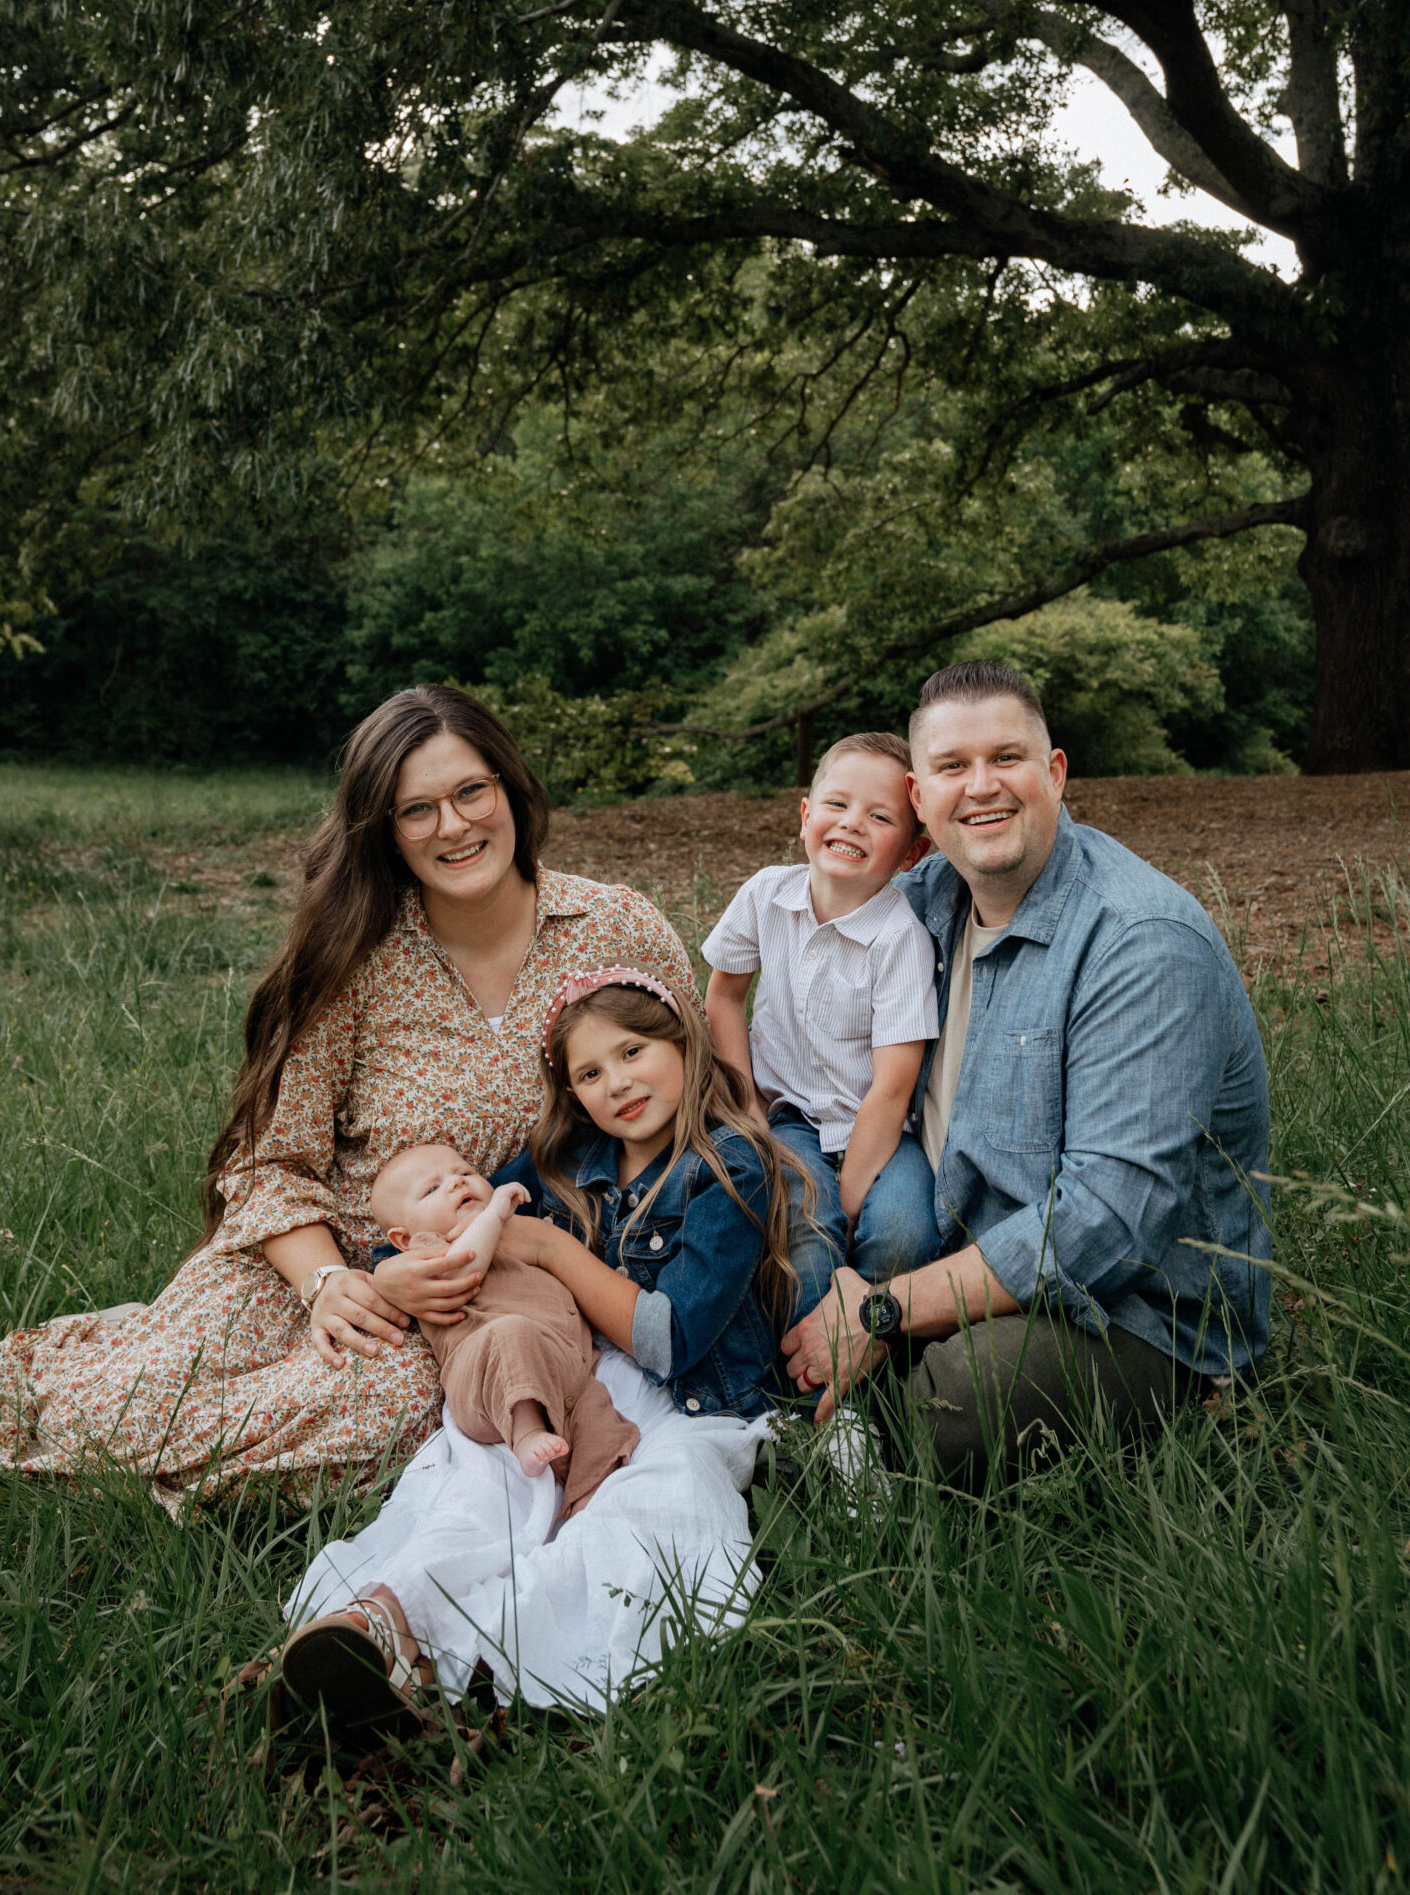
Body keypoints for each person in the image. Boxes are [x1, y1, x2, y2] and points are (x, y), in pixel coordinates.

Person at [0, 686, 700, 1510]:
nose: (452, 827)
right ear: (384, 830)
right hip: (313, 1258)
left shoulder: (615, 925)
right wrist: (329, 1285)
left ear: (511, 787)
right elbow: (272, 1160)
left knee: (383, 1411)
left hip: (479, 1296)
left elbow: (705, 1088)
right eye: (416, 810)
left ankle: (214, 1469)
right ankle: (153, 1401)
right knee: (117, 1410)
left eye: (469, 792)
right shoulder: (357, 953)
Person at [782, 660, 1272, 1482]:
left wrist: (880, 1308)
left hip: (1135, 1311)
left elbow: (1106, 1227)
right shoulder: (925, 900)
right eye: (950, 768)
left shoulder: (1140, 943)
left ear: (1053, 773)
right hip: (952, 1245)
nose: (981, 787)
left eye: (1006, 758)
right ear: (917, 798)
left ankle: (835, 1454)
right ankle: (803, 1413)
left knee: (960, 1404)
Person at [279, 963, 797, 1730]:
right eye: (588, 1072)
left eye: (631, 1052)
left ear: (683, 1044)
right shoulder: (563, 1159)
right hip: (553, 1374)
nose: (615, 1083)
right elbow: (450, 1220)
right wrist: (391, 1277)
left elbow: (672, 1339)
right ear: (570, 1092)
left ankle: (488, 1664)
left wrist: (553, 1253)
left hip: (680, 1399)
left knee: (652, 1501)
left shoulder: (726, 1169)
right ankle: (380, 1623)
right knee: (480, 1484)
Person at [702, 731, 941, 1315]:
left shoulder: (900, 939)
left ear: (912, 854)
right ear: (806, 815)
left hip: (883, 1127)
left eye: (880, 816)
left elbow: (892, 1087)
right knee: (808, 1226)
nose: (853, 822)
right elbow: (723, 1000)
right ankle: (811, 1389)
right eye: (837, 804)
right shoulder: (767, 896)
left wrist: (852, 1199)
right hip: (790, 1115)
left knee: (903, 1235)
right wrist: (748, 1107)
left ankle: (877, 1354)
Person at [366, 1140, 640, 1512]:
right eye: (432, 1189)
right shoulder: (426, 1253)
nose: (456, 1184)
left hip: (562, 1368)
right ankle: (526, 1434)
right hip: (485, 1374)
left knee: (601, 1417)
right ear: (401, 1238)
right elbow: (466, 1268)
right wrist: (493, 1213)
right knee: (512, 1332)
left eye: (464, 1173)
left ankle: (588, 1498)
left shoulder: (520, 1232)